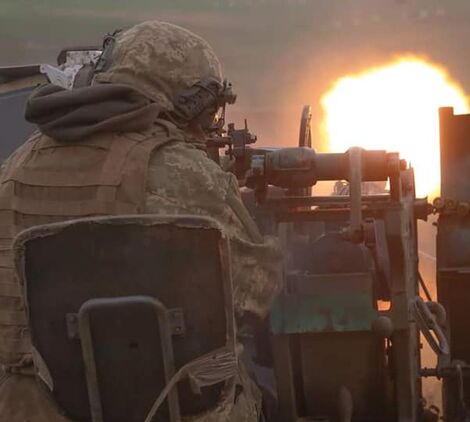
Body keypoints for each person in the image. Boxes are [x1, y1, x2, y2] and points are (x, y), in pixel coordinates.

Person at [0, 21, 282, 421]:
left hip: (34, 406)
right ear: (190, 104)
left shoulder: (16, 167)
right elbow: (252, 298)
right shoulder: (186, 173)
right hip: (169, 405)